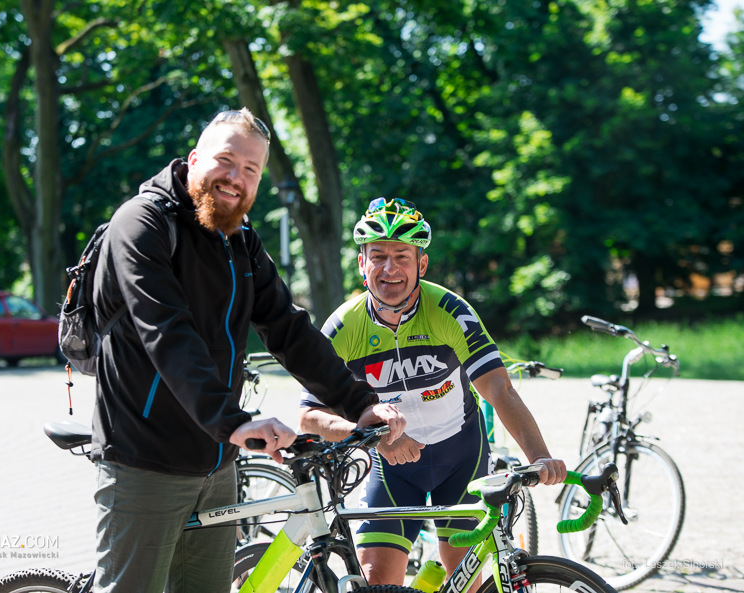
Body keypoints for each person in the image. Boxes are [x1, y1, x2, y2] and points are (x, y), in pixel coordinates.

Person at [89, 108, 405, 593]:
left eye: (251, 170)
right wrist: (234, 422)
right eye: (226, 160)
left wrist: (360, 403)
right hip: (144, 459)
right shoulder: (141, 224)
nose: (236, 178)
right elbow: (167, 332)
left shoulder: (239, 240)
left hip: (217, 464)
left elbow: (287, 328)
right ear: (195, 159)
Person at [298, 198, 567, 587]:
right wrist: (369, 437)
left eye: (402, 257)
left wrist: (539, 456)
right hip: (390, 466)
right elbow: (309, 416)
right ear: (361, 264)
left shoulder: (450, 311)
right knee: (377, 581)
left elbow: (499, 388)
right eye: (378, 256)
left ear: (421, 265)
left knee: (464, 579)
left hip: (460, 457)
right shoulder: (343, 327)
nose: (389, 268)